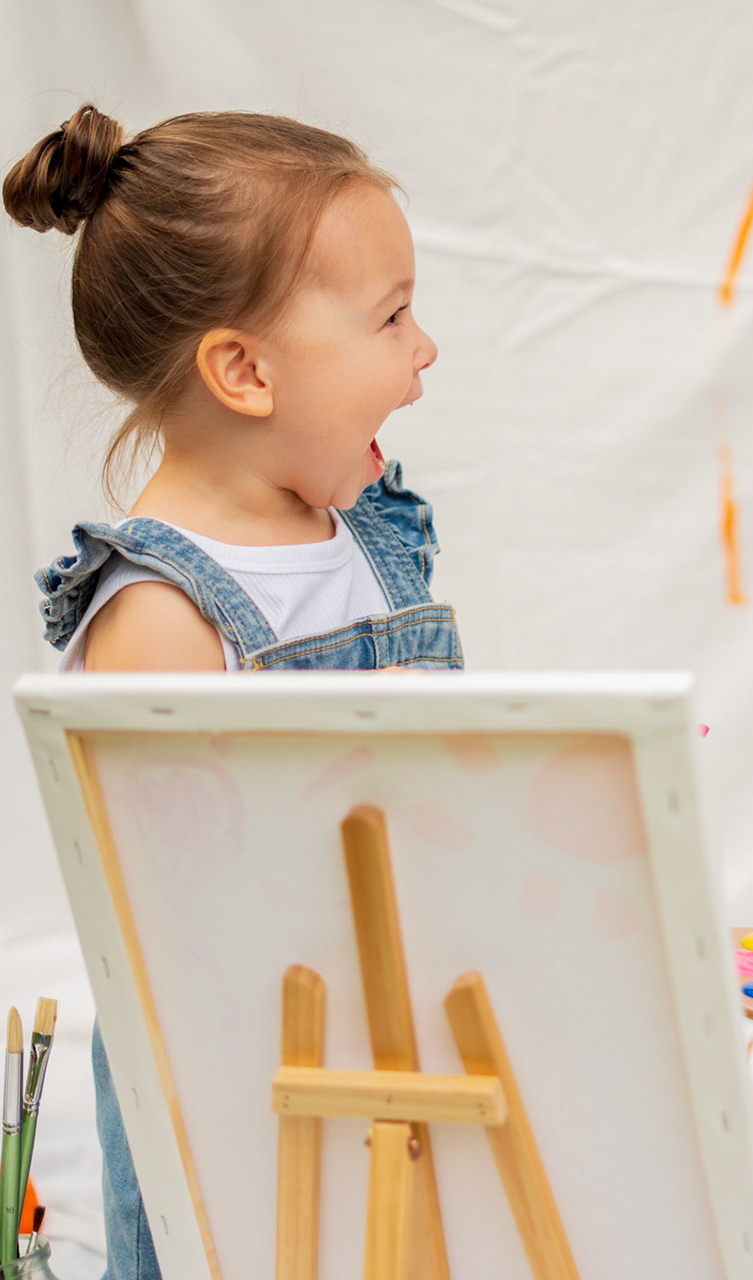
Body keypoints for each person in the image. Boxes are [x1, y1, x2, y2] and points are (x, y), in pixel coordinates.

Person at [4, 105, 454, 1277]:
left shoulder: (371, 530)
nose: (425, 349)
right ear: (245, 371)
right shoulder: (161, 608)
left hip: (385, 1028)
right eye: (392, 315)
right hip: (230, 1083)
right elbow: (182, 909)